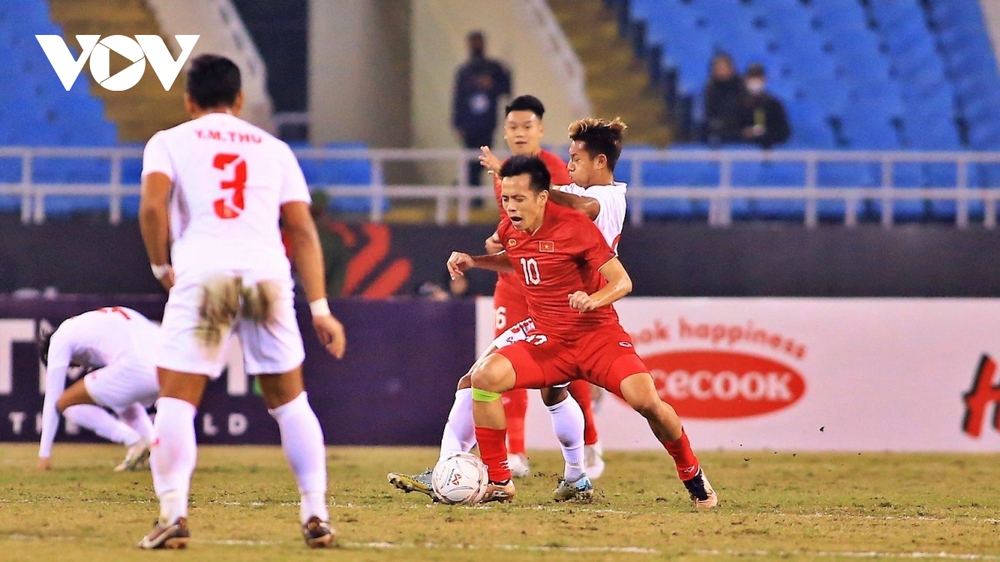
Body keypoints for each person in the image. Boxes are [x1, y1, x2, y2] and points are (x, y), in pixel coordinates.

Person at [137, 54, 346, 550]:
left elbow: (151, 206)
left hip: (205, 274)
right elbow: (301, 229)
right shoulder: (273, 149)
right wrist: (319, 307)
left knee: (176, 400)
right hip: (265, 276)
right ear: (239, 100)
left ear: (189, 101)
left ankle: (172, 513)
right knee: (291, 402)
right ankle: (315, 511)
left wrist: (160, 267)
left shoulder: (168, 141)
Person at [447, 154, 718, 508]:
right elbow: (517, 259)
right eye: (506, 199)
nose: (510, 207)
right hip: (548, 342)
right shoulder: (510, 230)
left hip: (596, 338)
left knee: (646, 400)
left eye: (519, 199)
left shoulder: (575, 227)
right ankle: (500, 482)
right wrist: (476, 261)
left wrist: (594, 299)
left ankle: (692, 472)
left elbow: (622, 281)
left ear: (543, 197)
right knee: (483, 378)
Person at [388, 116, 629, 502]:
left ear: (599, 161)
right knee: (547, 390)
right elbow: (528, 230)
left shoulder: (607, 198)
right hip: (558, 303)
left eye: (576, 159)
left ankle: (484, 471)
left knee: (511, 384)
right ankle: (574, 474)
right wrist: (506, 225)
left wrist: (526, 185)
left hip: (576, 307)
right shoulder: (571, 191)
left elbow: (578, 208)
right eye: (567, 157)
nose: (569, 166)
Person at [36, 306, 160, 472]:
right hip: (168, 365)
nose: (75, 366)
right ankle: (155, 448)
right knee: (121, 396)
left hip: (137, 365)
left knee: (66, 403)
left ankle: (135, 440)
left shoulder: (61, 337)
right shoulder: (96, 324)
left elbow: (53, 399)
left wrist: (44, 453)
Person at [453, 30, 511, 187]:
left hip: (487, 123)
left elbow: (506, 89)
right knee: (471, 159)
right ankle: (470, 194)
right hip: (469, 125)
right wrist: (457, 124)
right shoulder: (464, 72)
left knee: (484, 159)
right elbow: (458, 99)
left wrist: (496, 81)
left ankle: (470, 191)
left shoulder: (494, 69)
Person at [740, 63, 791, 148]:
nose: (755, 81)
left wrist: (765, 134)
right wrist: (744, 133)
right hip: (741, 153)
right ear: (745, 80)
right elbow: (731, 130)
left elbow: (783, 132)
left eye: (758, 78)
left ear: (764, 80)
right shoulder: (738, 104)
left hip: (768, 151)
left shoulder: (774, 104)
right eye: (752, 78)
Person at [703, 52, 745, 145]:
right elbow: (709, 112)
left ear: (731, 68)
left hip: (740, 128)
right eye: (718, 68)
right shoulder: (710, 88)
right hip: (720, 129)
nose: (721, 71)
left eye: (724, 67)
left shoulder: (742, 85)